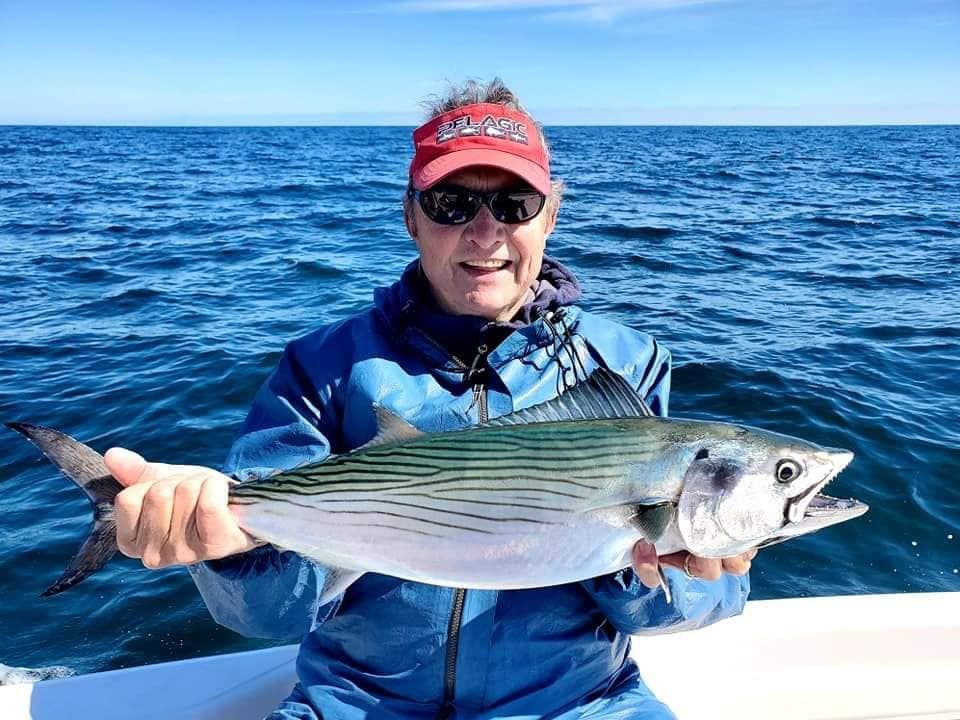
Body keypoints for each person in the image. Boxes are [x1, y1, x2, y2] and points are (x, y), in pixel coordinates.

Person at [104, 79, 756, 720]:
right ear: (411, 215)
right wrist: (221, 550)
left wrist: (671, 575)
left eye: (514, 204)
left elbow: (678, 603)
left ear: (550, 216)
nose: (484, 232)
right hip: (354, 704)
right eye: (451, 203)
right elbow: (268, 613)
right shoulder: (324, 367)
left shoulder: (624, 364)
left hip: (580, 703)